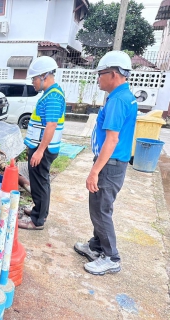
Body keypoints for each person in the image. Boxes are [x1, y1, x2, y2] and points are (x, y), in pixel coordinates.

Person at [74, 50, 137, 275]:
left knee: (101, 211)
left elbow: (112, 140)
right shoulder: (123, 96)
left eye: (100, 74)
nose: (98, 78)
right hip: (112, 163)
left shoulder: (118, 100)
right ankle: (97, 245)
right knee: (99, 207)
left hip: (109, 165)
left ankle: (111, 257)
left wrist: (94, 171)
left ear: (113, 74)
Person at [18, 56, 66, 230]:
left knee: (40, 182)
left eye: (34, 78)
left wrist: (40, 150)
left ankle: (37, 220)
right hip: (40, 147)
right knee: (39, 181)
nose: (33, 82)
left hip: (43, 149)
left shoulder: (53, 96)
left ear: (44, 76)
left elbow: (51, 125)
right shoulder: (50, 94)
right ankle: (39, 211)